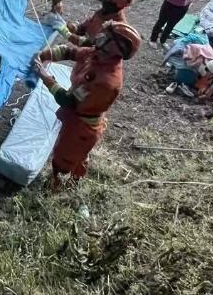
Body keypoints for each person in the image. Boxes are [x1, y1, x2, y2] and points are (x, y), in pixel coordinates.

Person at [33, 21, 142, 188]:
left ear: (116, 47)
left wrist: (45, 77)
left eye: (105, 35)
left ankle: (58, 184)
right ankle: (76, 175)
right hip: (80, 115)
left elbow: (69, 101)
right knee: (79, 154)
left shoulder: (105, 82)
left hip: (82, 126)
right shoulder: (100, 54)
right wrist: (43, 55)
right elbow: (71, 52)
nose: (99, 36)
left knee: (65, 157)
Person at [60, 0, 135, 46]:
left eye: (106, 1)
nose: (103, 3)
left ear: (119, 5)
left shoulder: (116, 28)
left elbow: (94, 46)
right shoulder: (102, 13)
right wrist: (73, 27)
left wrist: (67, 34)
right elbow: (84, 27)